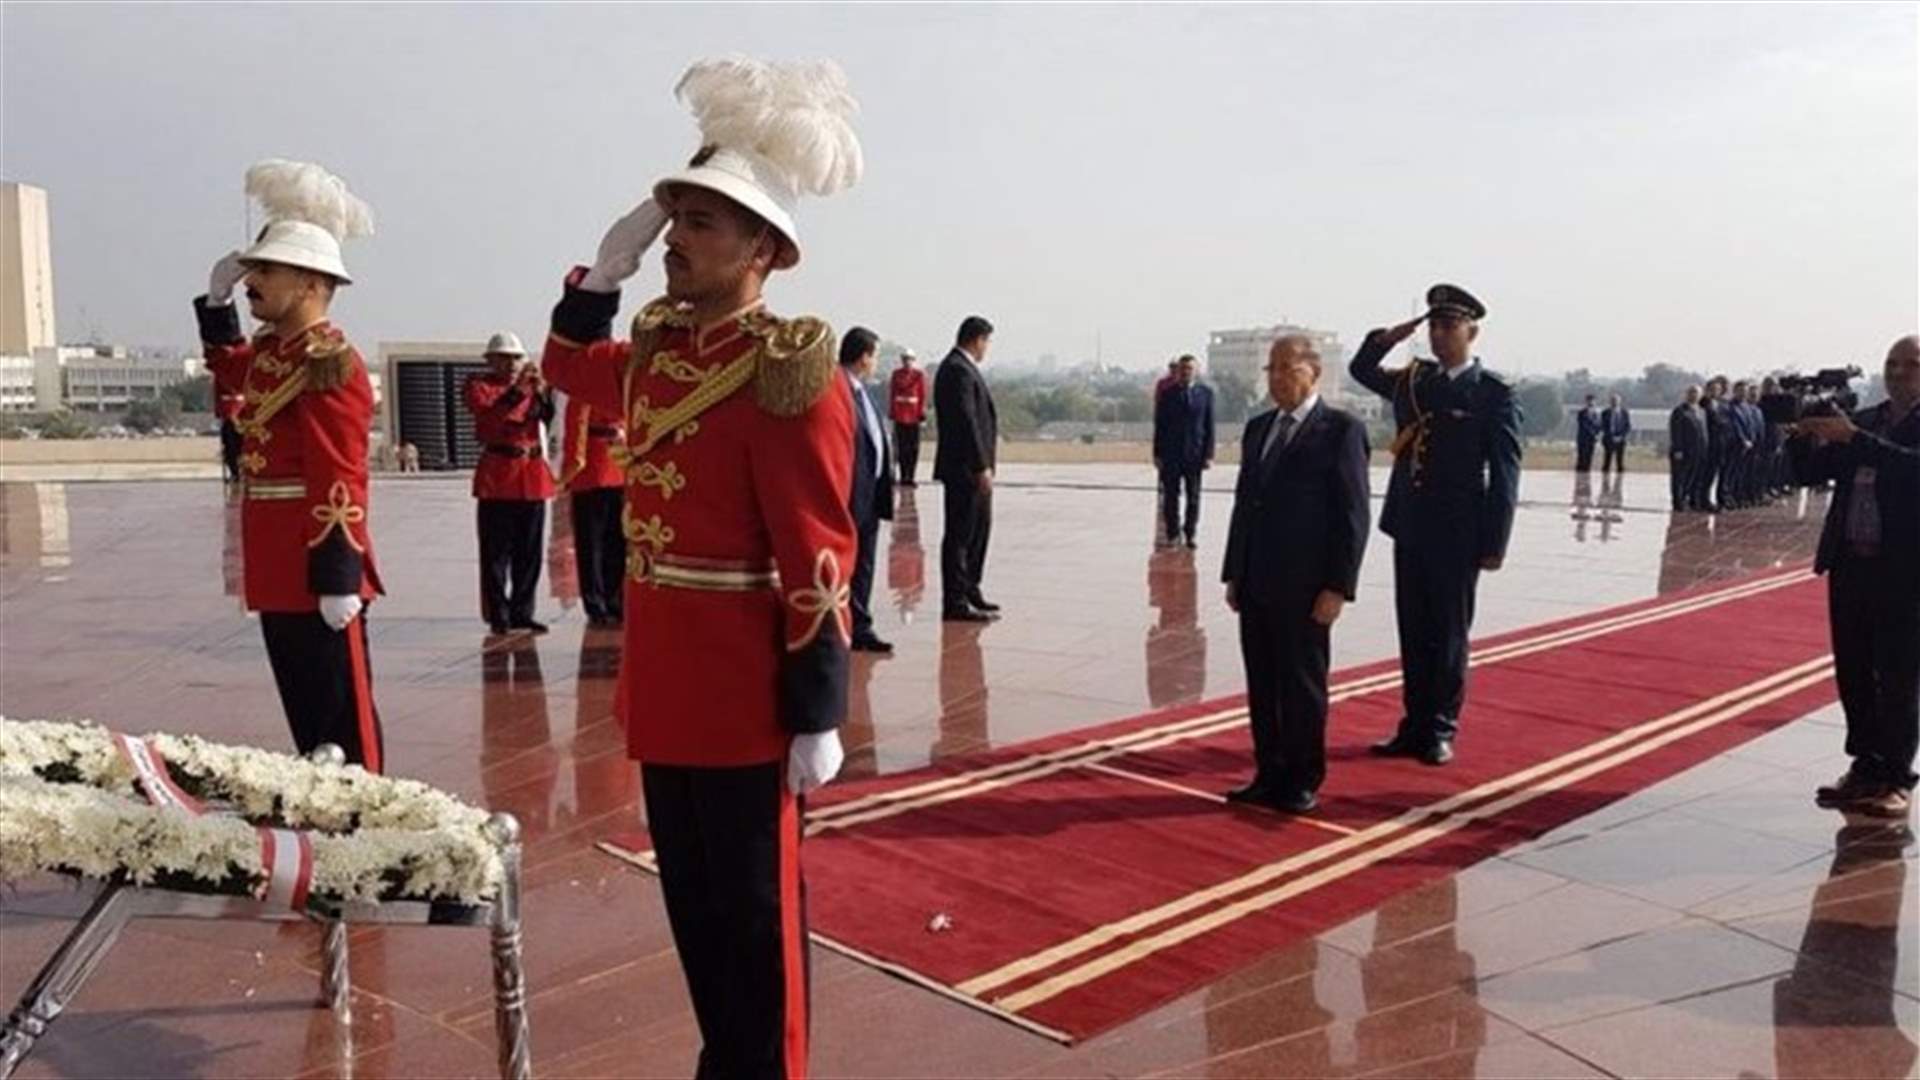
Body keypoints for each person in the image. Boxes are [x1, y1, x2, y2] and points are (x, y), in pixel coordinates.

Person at [538, 56, 861, 1079]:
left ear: (764, 248)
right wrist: (600, 278)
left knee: (758, 921)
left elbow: (820, 547)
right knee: (694, 909)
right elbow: (562, 368)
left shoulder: (787, 369)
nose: (677, 241)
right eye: (675, 221)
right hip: (666, 683)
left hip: (744, 692)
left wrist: (817, 706)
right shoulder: (657, 353)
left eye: (702, 225)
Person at [192, 158, 384, 770]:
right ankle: (327, 824)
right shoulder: (273, 354)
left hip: (316, 562)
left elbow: (340, 473)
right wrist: (216, 303)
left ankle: (372, 832)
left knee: (344, 722)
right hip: (277, 562)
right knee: (306, 716)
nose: (253, 281)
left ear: (308, 282)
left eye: (264, 271)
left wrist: (337, 574)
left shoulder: (331, 361)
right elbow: (229, 366)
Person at [1349, 284, 1522, 766]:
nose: (1441, 335)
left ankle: (1441, 727)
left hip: (1459, 530)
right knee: (1414, 626)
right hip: (1411, 522)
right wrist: (1388, 337)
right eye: (1435, 326)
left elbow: (1506, 469)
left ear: (1473, 331)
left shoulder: (1492, 393)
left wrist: (1495, 540)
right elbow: (1361, 371)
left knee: (1447, 632)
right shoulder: (1414, 382)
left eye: (1450, 326)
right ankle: (1413, 724)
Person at [1221, 334, 1370, 812]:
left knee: (1301, 686)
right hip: (1258, 580)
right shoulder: (1258, 428)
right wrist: (1235, 571)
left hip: (1307, 587)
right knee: (1263, 684)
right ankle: (1269, 772)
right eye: (1272, 369)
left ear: (1315, 372)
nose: (1279, 378)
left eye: (1288, 368)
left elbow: (1352, 516)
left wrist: (1338, 586)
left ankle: (1302, 777)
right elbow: (1246, 504)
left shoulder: (1340, 431)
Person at [1792, 334, 1919, 818]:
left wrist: (1856, 440)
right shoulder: (1866, 419)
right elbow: (1812, 474)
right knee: (1855, 671)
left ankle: (1896, 776)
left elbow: (1912, 470)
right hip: (1851, 565)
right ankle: (1864, 765)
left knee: (1899, 676)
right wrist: (1804, 438)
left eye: (1912, 364)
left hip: (1905, 572)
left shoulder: (1865, 431)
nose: (1900, 371)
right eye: (1892, 363)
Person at [466, 331, 556, 635]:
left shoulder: (530, 388)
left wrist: (544, 393)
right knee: (495, 553)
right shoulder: (479, 386)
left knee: (529, 553)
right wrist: (519, 391)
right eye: (504, 358)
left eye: (517, 357)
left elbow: (546, 418)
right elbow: (493, 417)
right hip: (498, 476)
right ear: (491, 360)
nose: (512, 363)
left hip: (531, 474)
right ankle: (498, 612)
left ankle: (522, 610)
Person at [934, 314, 1000, 622]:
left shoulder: (964, 369)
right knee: (960, 535)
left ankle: (971, 588)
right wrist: (980, 465)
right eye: (986, 341)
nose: (987, 348)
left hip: (972, 469)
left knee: (978, 531)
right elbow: (966, 422)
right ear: (976, 339)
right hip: (964, 470)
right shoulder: (957, 370)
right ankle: (956, 600)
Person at [841, 326, 895, 653]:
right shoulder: (837, 393)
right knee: (846, 564)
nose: (876, 362)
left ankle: (860, 624)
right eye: (874, 355)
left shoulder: (865, 392)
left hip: (870, 495)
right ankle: (842, 625)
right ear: (863, 357)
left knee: (864, 564)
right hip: (849, 495)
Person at [558, 387, 626, 627]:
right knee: (591, 545)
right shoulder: (584, 392)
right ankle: (596, 603)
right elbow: (574, 431)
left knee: (617, 543)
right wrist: (569, 473)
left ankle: (616, 600)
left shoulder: (624, 391)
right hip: (592, 471)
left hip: (620, 468)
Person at [1152, 354, 1215, 549]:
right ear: (1177, 371)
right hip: (1171, 454)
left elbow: (1209, 425)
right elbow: (1160, 426)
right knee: (1171, 496)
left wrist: (1209, 454)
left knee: (1193, 497)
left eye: (1189, 369)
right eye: (1182, 369)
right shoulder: (1168, 394)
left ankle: (1190, 533)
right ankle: (1172, 534)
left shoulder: (1205, 394)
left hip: (1194, 455)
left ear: (1196, 371)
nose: (1185, 372)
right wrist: (1157, 453)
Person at [888, 349, 927, 487]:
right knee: (902, 448)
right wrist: (892, 411)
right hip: (900, 414)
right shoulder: (896, 375)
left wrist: (922, 412)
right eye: (905, 359)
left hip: (914, 415)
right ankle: (904, 476)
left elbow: (922, 394)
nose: (907, 362)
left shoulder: (918, 375)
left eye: (910, 359)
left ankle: (911, 476)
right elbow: (893, 393)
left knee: (913, 448)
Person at [1668, 384, 1708, 511]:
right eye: (1691, 392)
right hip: (1683, 451)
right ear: (1686, 394)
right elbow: (1676, 431)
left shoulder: (1701, 411)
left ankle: (1688, 499)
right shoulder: (1680, 411)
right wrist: (1678, 449)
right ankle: (1678, 502)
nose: (1694, 395)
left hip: (1698, 451)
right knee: (1680, 478)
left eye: (1696, 393)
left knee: (1693, 477)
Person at [1699, 376, 1731, 512]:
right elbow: (1717, 421)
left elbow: (1727, 421)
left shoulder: (1723, 404)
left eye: (1717, 389)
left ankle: (1721, 499)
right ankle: (1703, 500)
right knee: (1707, 475)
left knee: (1721, 474)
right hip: (1708, 444)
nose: (1715, 391)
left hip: (1721, 443)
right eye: (1712, 389)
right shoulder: (1704, 403)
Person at [1600, 392, 1631, 476]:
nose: (1615, 402)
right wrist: (1611, 437)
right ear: (1610, 402)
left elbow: (1627, 427)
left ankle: (1619, 484)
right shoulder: (1605, 413)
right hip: (1609, 440)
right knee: (1607, 461)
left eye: (1616, 400)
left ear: (1620, 401)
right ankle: (1605, 483)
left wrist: (1621, 437)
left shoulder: (1625, 413)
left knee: (1620, 462)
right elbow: (1603, 426)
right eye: (1613, 400)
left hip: (1621, 441)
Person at [1574, 394, 1600, 474]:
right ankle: (1579, 477)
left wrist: (1597, 434)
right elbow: (1584, 425)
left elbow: (1598, 425)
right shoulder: (1582, 413)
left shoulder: (1596, 414)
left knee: (1589, 458)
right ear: (1586, 402)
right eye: (1589, 401)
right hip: (1583, 439)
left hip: (1591, 440)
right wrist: (1593, 434)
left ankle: (1587, 475)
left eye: (1593, 401)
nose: (1591, 403)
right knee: (1582, 458)